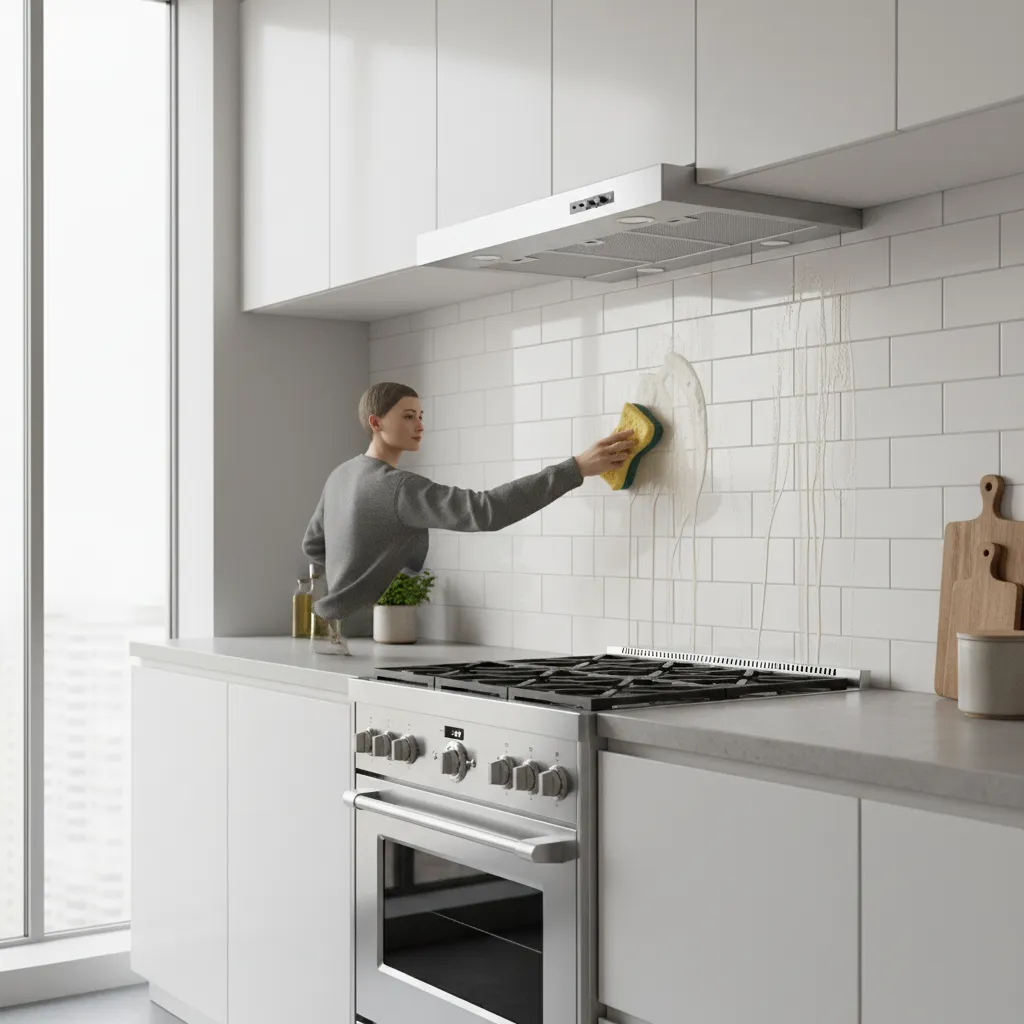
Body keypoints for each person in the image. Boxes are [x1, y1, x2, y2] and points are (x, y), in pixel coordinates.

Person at [302, 381, 636, 653]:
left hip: (331, 638)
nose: (419, 425)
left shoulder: (341, 475)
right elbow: (484, 511)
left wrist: (356, 561)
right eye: (407, 416)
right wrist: (575, 468)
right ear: (376, 423)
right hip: (356, 641)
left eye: (420, 415)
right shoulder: (398, 488)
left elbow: (314, 544)